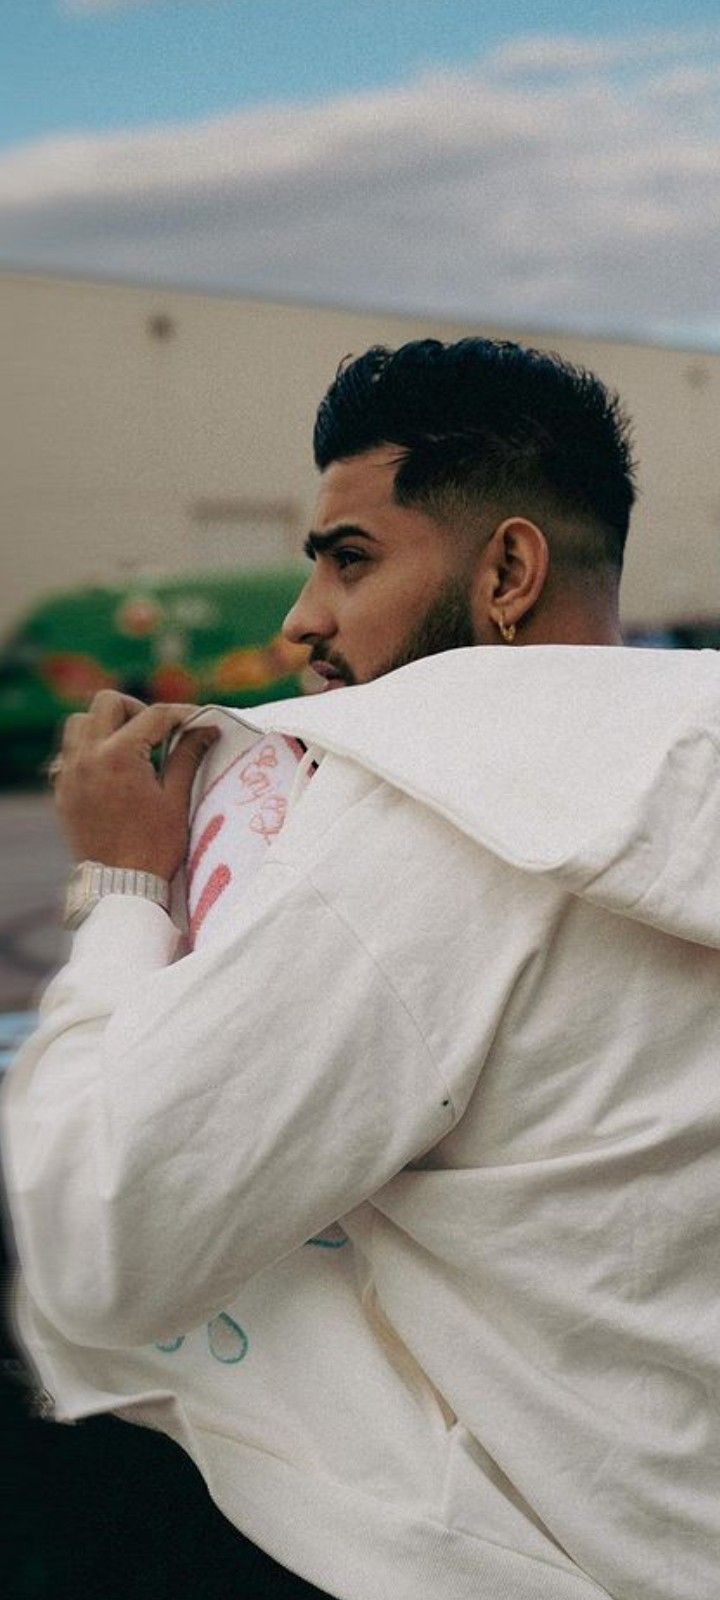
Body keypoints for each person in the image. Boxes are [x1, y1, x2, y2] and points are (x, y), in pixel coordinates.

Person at [2, 337, 720, 1600]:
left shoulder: (443, 822)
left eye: (350, 560)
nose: (301, 620)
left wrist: (123, 886)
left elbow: (97, 1245)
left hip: (521, 1543)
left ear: (508, 569)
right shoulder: (676, 756)